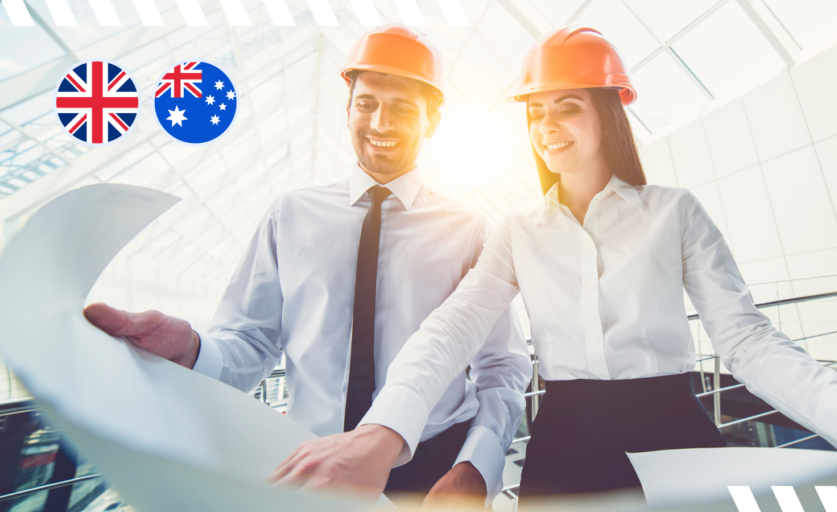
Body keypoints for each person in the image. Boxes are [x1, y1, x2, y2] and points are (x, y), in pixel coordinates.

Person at [266, 27, 837, 503]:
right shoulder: (517, 231)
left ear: (606, 114)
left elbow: (749, 341)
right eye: (535, 113)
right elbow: (447, 333)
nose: (546, 129)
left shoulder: (675, 212)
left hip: (673, 423)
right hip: (566, 437)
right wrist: (380, 435)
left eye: (565, 108)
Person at [82, 25, 531, 508]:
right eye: (367, 104)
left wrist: (476, 466)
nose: (379, 122)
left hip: (432, 469)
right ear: (347, 109)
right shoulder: (290, 215)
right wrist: (190, 347)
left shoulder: (469, 229)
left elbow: (502, 364)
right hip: (313, 468)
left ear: (433, 119)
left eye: (401, 107)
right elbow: (251, 343)